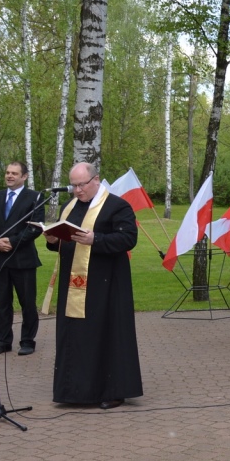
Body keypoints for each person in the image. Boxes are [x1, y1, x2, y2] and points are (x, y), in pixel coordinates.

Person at [44, 162, 141, 409]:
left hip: (106, 284)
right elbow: (65, 240)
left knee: (105, 334)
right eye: (74, 186)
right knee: (74, 334)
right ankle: (73, 390)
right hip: (73, 284)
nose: (77, 190)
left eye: (82, 185)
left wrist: (95, 239)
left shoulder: (117, 206)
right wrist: (53, 239)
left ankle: (112, 390)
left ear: (96, 180)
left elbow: (128, 238)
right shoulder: (69, 207)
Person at [0, 161, 43, 356]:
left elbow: (36, 227)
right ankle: (3, 341)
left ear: (24, 176)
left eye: (14, 173)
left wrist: (12, 242)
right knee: (2, 303)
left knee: (27, 303)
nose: (9, 176)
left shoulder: (35, 197)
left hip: (23, 260)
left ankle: (27, 341)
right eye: (7, 172)